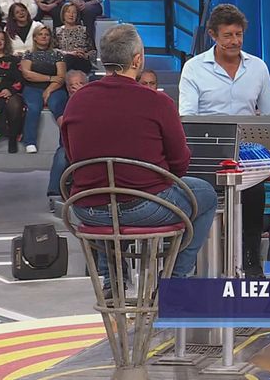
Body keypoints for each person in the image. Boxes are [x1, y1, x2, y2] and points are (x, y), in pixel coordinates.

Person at [62, 24, 217, 296]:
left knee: (106, 193)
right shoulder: (157, 101)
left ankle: (113, 282)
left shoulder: (77, 100)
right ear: (137, 60)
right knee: (205, 193)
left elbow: (72, 157)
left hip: (87, 208)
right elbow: (180, 164)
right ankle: (174, 282)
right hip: (144, 207)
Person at [179, 3, 270, 277]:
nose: (235, 41)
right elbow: (187, 118)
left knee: (255, 190)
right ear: (213, 35)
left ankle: (250, 260)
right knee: (201, 193)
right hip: (207, 152)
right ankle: (199, 263)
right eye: (228, 35)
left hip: (246, 153)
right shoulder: (194, 68)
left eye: (239, 34)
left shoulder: (257, 67)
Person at [20, 24, 66, 153]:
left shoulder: (57, 54)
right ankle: (30, 142)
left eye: (46, 34)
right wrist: (50, 78)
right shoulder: (28, 54)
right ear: (35, 37)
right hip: (32, 88)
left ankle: (65, 142)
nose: (44, 37)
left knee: (58, 106)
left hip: (55, 88)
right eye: (40, 34)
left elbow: (61, 77)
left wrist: (49, 90)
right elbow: (27, 75)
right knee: (34, 108)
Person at [47, 69, 87, 209]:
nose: (75, 87)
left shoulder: (93, 100)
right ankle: (54, 195)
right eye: (72, 84)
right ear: (67, 87)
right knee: (61, 156)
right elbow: (64, 124)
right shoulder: (62, 102)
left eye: (80, 83)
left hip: (90, 144)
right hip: (69, 144)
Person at [55, 2, 96, 73]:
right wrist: (69, 53)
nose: (71, 15)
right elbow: (53, 50)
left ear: (77, 15)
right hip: (64, 61)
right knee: (68, 58)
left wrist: (85, 55)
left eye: (74, 12)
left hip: (82, 61)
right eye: (68, 12)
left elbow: (93, 51)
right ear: (63, 14)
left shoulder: (84, 30)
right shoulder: (57, 31)